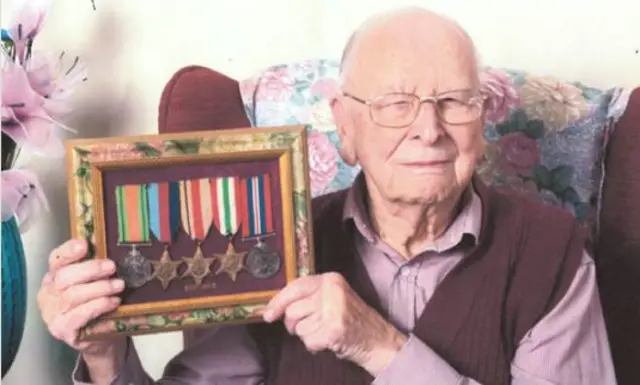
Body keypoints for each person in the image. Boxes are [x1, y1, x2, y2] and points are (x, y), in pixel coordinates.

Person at [38, 6, 617, 385]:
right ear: (345, 128)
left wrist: (379, 346)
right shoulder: (274, 248)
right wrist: (106, 359)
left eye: (454, 101)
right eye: (396, 104)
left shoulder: (552, 258)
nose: (428, 129)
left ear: (482, 118)